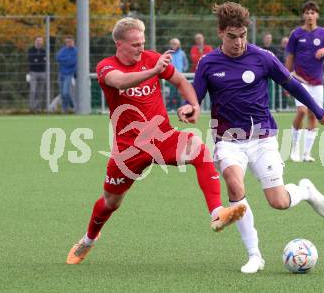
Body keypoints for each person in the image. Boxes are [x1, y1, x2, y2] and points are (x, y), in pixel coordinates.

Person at [66, 17, 246, 265]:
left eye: (143, 43)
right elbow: (119, 81)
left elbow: (181, 81)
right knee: (110, 202)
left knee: (200, 150)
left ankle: (217, 213)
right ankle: (88, 240)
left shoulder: (151, 58)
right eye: (135, 44)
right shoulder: (106, 67)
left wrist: (193, 104)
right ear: (119, 44)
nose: (141, 48)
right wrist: (153, 71)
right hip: (128, 149)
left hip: (162, 137)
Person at [193, 2, 324, 274]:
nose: (238, 42)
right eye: (232, 36)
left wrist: (319, 110)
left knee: (278, 202)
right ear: (221, 33)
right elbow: (195, 98)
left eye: (243, 35)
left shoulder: (262, 57)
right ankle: (254, 255)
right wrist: (189, 108)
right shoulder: (208, 63)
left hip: (263, 139)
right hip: (228, 140)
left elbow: (292, 84)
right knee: (234, 185)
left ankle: (303, 190)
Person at [285, 1, 324, 162]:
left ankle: (307, 154)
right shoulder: (296, 34)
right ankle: (294, 149)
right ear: (303, 15)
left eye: (313, 12)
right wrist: (285, 80)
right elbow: (290, 58)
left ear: (317, 15)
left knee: (314, 115)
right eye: (307, 12)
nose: (310, 15)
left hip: (317, 82)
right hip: (299, 80)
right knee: (301, 111)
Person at [166, 38, 189, 111]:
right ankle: (171, 108)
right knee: (172, 93)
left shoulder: (182, 53)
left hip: (180, 76)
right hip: (171, 76)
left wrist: (183, 71)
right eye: (172, 43)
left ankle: (180, 107)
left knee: (180, 93)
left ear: (178, 45)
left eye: (174, 44)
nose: (173, 45)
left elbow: (186, 64)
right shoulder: (168, 53)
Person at [56, 35, 77, 113]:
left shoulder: (76, 51)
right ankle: (65, 109)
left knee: (65, 92)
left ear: (73, 42)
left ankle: (71, 104)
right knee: (62, 93)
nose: (68, 43)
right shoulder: (63, 50)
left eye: (69, 42)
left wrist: (64, 60)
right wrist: (67, 59)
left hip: (69, 74)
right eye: (66, 42)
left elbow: (72, 62)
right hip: (61, 73)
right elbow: (57, 58)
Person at [27, 36, 46, 112]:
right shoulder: (30, 50)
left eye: (41, 40)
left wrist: (37, 60)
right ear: (35, 41)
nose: (39, 42)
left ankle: (37, 108)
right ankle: (31, 108)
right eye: (38, 40)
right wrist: (40, 60)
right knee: (33, 91)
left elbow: (44, 61)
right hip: (33, 72)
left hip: (42, 72)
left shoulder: (44, 50)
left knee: (40, 92)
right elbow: (31, 60)